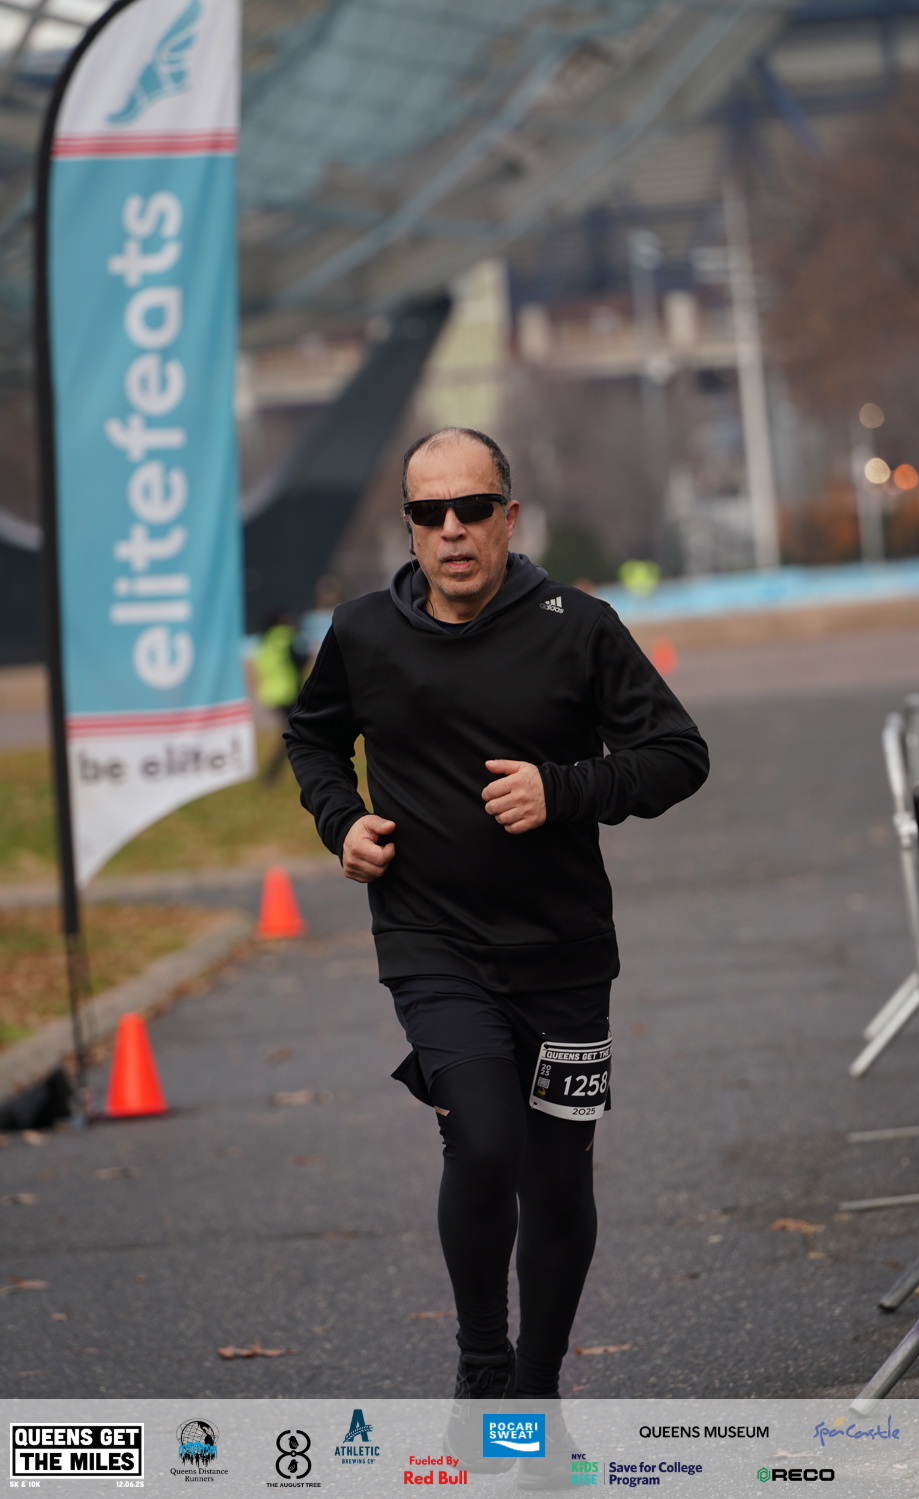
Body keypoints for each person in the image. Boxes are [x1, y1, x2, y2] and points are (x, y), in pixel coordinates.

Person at [285, 427, 708, 1424]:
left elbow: (678, 754)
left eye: (471, 508)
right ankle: (483, 1362)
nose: (451, 529)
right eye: (429, 512)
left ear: (508, 517)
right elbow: (312, 738)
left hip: (564, 952)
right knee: (482, 1140)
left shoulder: (579, 626)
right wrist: (342, 822)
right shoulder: (363, 633)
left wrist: (565, 789)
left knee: (556, 1179)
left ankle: (536, 1390)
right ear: (409, 527)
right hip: (433, 944)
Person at [253, 608, 308, 781]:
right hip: (288, 692)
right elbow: (300, 660)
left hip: (271, 693)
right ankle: (273, 774)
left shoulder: (265, 640)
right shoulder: (285, 636)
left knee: (294, 732)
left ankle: (275, 774)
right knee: (295, 733)